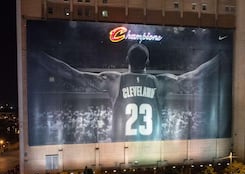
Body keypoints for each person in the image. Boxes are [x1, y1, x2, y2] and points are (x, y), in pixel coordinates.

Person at [34, 43, 219, 142]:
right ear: (147, 63)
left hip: (121, 149)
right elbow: (195, 76)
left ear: (126, 60)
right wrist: (221, 58)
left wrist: (37, 54)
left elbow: (72, 74)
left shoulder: (114, 80)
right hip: (152, 150)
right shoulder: (161, 82)